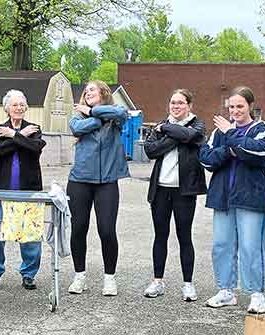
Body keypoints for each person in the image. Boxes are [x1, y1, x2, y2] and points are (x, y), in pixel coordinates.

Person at [199, 86, 265, 313]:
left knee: (251, 247)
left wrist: (232, 137)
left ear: (250, 106)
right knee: (221, 245)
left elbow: (257, 154)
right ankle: (226, 291)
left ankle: (257, 293)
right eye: (231, 107)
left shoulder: (260, 129)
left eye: (240, 106)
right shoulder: (219, 132)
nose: (235, 111)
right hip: (223, 197)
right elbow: (206, 160)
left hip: (251, 198)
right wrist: (230, 148)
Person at [143, 89, 207, 301]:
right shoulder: (161, 124)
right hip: (161, 189)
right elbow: (151, 151)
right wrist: (176, 135)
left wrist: (167, 130)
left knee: (184, 235)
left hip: (184, 190)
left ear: (189, 105)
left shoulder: (197, 124)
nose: (176, 106)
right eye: (173, 103)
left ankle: (188, 284)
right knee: (160, 235)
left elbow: (190, 136)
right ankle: (157, 281)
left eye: (180, 103)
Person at [67, 80, 128, 296]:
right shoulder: (78, 115)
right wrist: (96, 117)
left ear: (103, 93)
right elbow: (76, 128)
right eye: (86, 91)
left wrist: (93, 111)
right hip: (79, 180)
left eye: (92, 89)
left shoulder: (115, 116)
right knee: (79, 228)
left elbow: (122, 114)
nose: (87, 92)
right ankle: (79, 276)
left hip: (107, 181)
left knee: (107, 230)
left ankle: (109, 278)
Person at [0, 89, 46, 291]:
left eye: (22, 104)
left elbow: (35, 148)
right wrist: (19, 136)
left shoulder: (35, 129)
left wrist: (13, 136)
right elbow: (0, 150)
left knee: (30, 233)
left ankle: (29, 274)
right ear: (7, 109)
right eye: (15, 105)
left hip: (28, 189)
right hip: (1, 188)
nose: (19, 108)